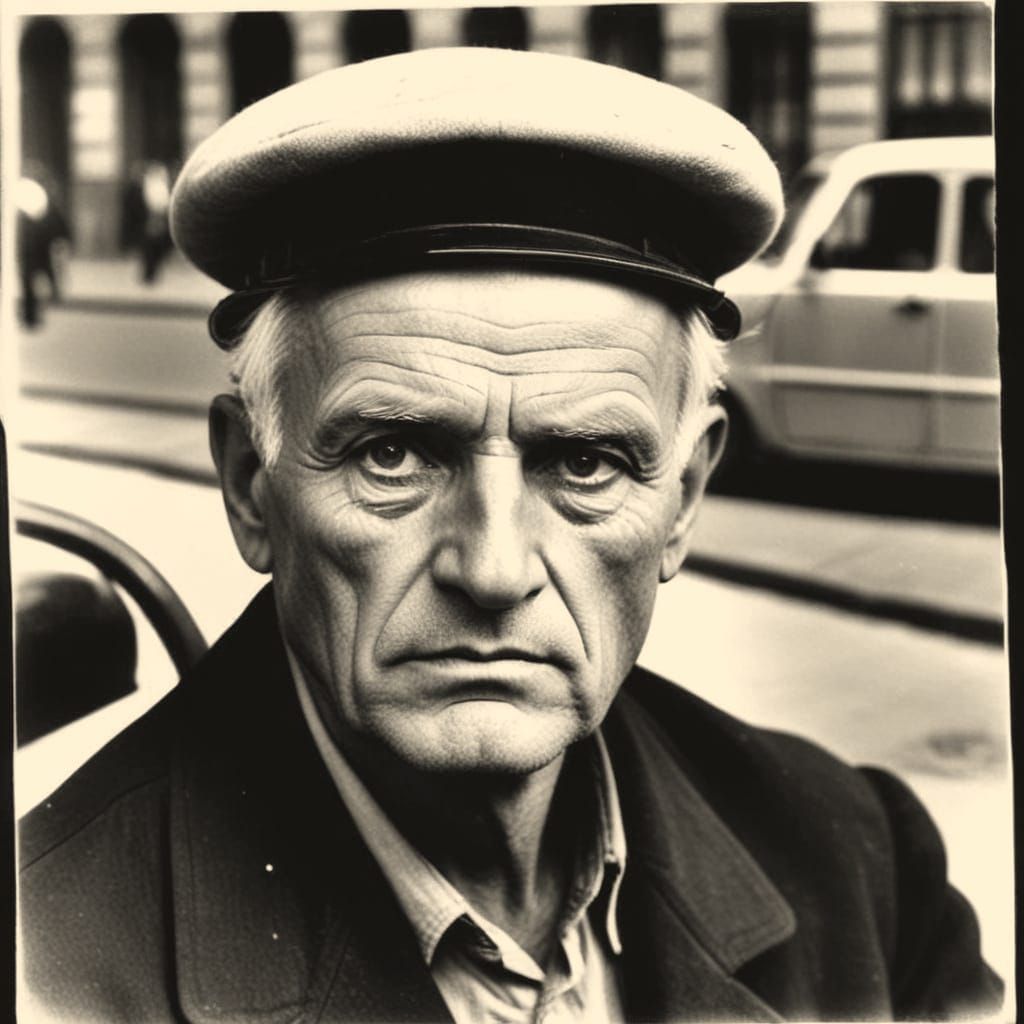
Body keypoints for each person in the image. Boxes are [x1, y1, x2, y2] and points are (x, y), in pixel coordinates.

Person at [18, 48, 1002, 1023]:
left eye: (583, 463)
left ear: (687, 496)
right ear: (248, 487)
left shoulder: (862, 863)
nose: (492, 570)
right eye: (393, 455)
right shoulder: (50, 961)